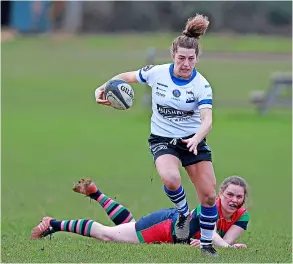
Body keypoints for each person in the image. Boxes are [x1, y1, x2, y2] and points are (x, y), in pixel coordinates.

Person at [94, 14, 217, 255]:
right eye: (181, 58)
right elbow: (128, 77)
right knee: (170, 179)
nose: (185, 63)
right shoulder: (157, 73)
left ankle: (206, 246)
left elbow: (208, 120)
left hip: (193, 140)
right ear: (173, 56)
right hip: (163, 140)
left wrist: (196, 138)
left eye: (191, 59)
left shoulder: (201, 85)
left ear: (197, 59)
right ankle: (183, 214)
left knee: (210, 197)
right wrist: (103, 87)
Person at [31, 176, 250, 254]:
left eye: (239, 197)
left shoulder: (242, 216)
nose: (234, 200)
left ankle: (96, 194)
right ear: (219, 194)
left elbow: (227, 241)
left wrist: (224, 247)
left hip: (170, 226)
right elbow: (213, 236)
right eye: (229, 194)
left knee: (128, 228)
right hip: (163, 227)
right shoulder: (208, 206)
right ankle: (53, 223)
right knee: (109, 235)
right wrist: (210, 244)